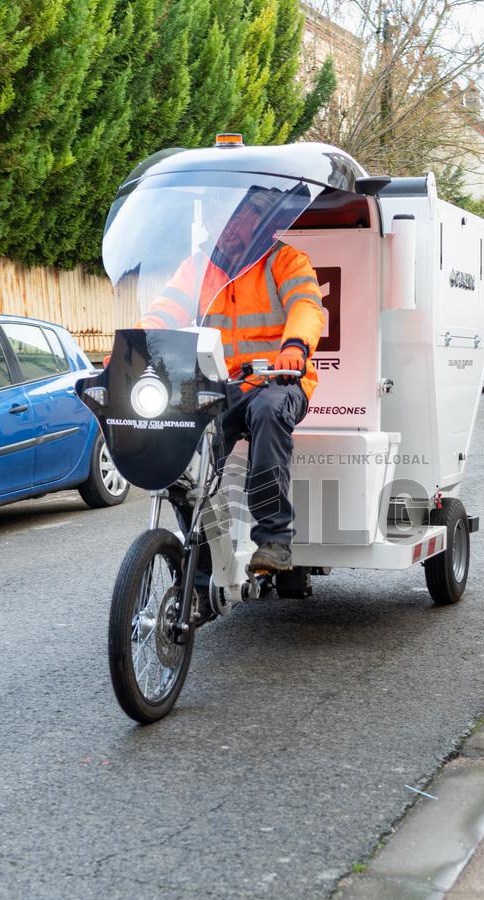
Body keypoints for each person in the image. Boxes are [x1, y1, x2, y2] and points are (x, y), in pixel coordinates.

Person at [138, 186, 324, 610]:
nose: (227, 228)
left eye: (237, 218)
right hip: (219, 384)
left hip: (277, 379)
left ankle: (275, 539)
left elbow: (307, 306)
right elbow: (164, 311)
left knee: (271, 410)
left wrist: (294, 346)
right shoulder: (198, 268)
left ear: (258, 221)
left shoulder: (284, 259)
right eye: (222, 217)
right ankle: (202, 569)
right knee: (185, 462)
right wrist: (136, 344)